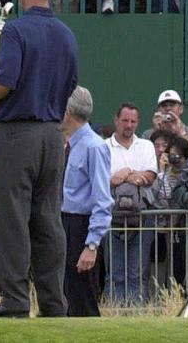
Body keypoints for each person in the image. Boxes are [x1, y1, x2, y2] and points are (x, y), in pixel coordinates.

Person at [0, 0, 77, 318]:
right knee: (48, 220)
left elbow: (4, 80)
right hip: (53, 134)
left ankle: (15, 300)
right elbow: (71, 86)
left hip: (18, 132)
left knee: (11, 218)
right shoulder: (65, 33)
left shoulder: (16, 30)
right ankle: (53, 303)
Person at [61, 85, 112, 317]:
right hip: (65, 224)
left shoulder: (94, 147)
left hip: (82, 227)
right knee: (68, 297)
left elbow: (102, 199)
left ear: (68, 112)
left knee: (83, 301)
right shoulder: (70, 144)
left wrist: (91, 245)